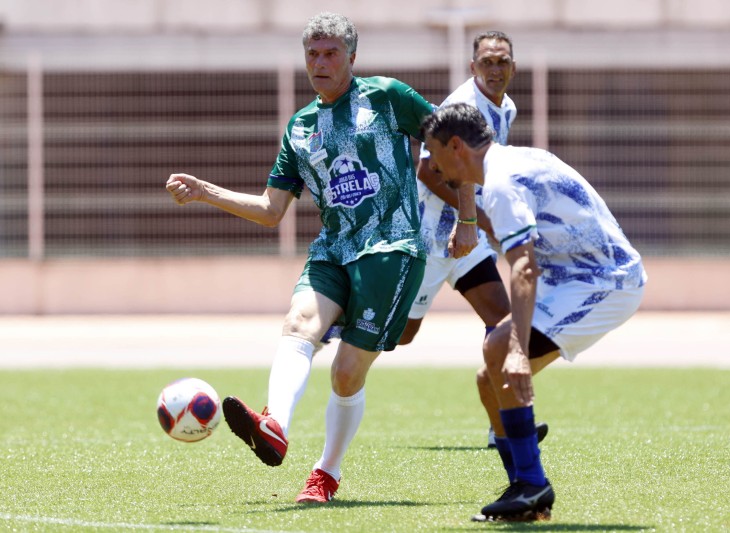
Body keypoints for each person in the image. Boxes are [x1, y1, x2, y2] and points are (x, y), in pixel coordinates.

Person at [165, 12, 463, 504]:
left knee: (345, 374)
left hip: (391, 248)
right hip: (334, 248)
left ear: (352, 57)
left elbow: (454, 148)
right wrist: (204, 191)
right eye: (312, 54)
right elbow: (270, 210)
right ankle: (275, 426)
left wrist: (468, 218)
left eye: (330, 53)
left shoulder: (386, 96)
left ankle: (326, 471)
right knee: (299, 323)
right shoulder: (301, 127)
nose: (320, 62)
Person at [421, 103, 647, 521]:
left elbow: (524, 267)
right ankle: (525, 489)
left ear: (456, 146)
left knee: (502, 352)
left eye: (433, 153)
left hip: (605, 280)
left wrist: (520, 351)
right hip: (573, 274)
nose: (432, 166)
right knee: (489, 374)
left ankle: (530, 482)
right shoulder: (512, 161)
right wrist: (475, 222)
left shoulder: (504, 182)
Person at [396, 30, 549, 454]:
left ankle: (501, 426)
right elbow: (427, 172)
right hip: (429, 237)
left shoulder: (508, 108)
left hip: (469, 239)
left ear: (513, 67)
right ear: (473, 67)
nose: (495, 70)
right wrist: (475, 216)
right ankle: (336, 323)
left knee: (503, 320)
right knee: (398, 336)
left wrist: (482, 220)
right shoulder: (461, 108)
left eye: (502, 62)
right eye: (487, 62)